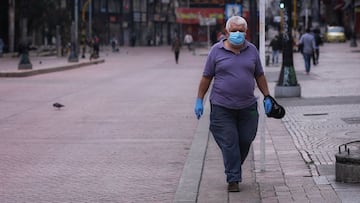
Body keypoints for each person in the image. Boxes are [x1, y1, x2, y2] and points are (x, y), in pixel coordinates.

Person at [194, 16, 276, 192]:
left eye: (241, 30)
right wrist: (199, 99)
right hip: (222, 107)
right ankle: (233, 178)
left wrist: (267, 96)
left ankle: (233, 167)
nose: (237, 34)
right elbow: (206, 77)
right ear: (226, 32)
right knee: (230, 142)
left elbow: (259, 75)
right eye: (234, 30)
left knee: (246, 140)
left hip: (247, 107)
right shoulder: (216, 51)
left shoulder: (252, 50)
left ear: (246, 33)